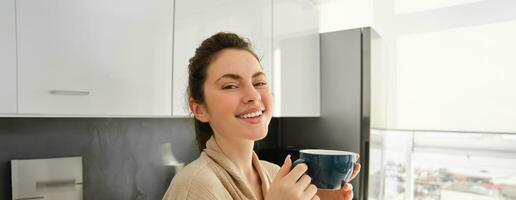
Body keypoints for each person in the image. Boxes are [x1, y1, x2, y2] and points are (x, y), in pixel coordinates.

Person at [162, 32, 360, 200]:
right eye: (230, 86)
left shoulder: (274, 174)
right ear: (199, 109)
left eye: (259, 83)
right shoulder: (193, 187)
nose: (253, 96)